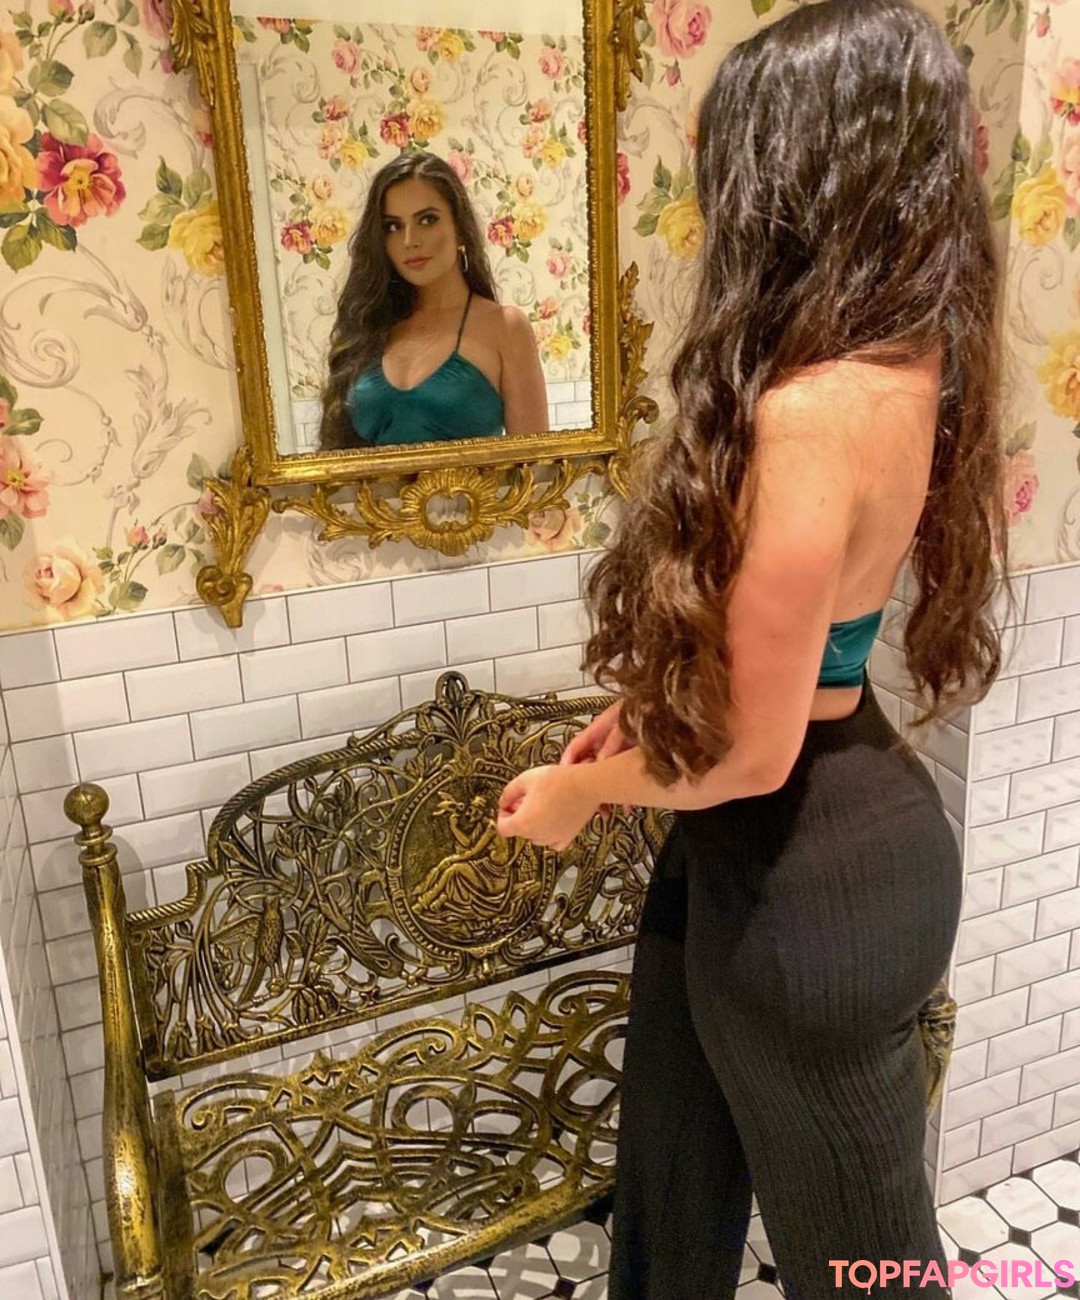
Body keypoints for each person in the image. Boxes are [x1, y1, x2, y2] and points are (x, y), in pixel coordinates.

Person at [496, 1, 1007, 1296]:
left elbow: (754, 755)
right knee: (674, 1176)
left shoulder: (807, 417)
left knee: (868, 1269)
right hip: (806, 839)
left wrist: (579, 795)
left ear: (793, 175)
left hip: (809, 885)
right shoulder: (911, 362)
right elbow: (801, 652)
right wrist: (645, 720)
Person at [319, 152, 549, 449]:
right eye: (393, 226)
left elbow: (537, 465)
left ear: (460, 228)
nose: (410, 240)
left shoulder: (505, 328)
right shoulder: (370, 325)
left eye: (427, 220)